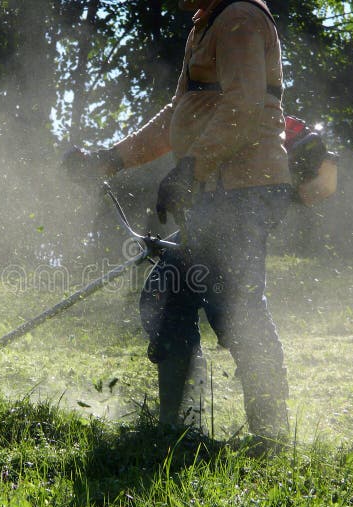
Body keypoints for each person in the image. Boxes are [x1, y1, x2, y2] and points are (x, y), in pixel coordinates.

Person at [64, 0, 292, 447]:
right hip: (219, 188)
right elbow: (177, 116)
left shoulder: (239, 18)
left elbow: (243, 105)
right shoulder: (205, 25)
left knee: (235, 304)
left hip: (243, 188)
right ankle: (178, 429)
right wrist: (110, 160)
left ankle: (268, 434)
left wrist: (190, 168)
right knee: (172, 294)